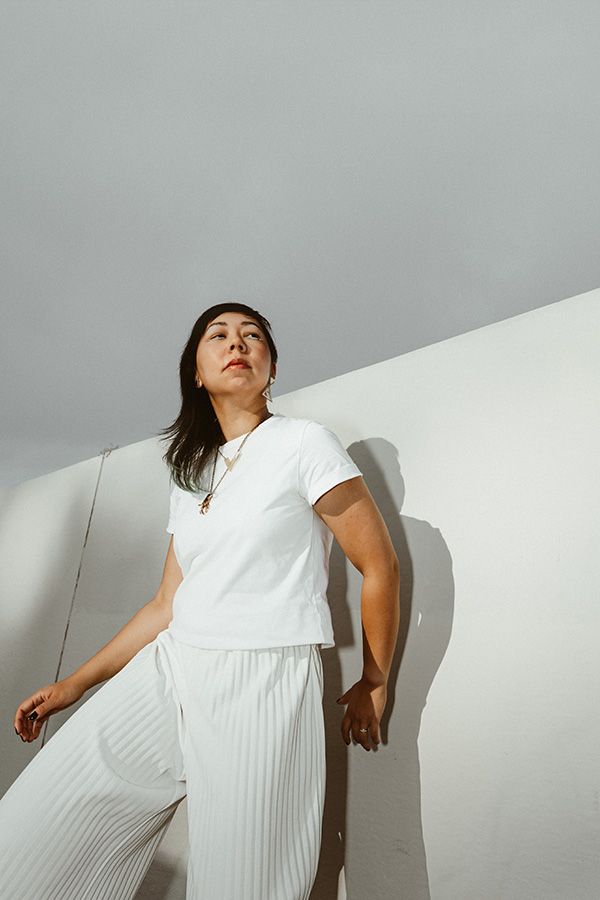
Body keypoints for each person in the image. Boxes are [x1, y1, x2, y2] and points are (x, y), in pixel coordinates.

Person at [0, 303, 400, 900]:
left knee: (244, 883)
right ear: (195, 369)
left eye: (252, 336)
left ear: (271, 366)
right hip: (172, 664)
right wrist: (75, 685)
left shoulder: (303, 443)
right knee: (36, 826)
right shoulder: (192, 471)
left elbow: (379, 565)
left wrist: (374, 679)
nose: (237, 343)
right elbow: (166, 602)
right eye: (219, 335)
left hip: (263, 676)